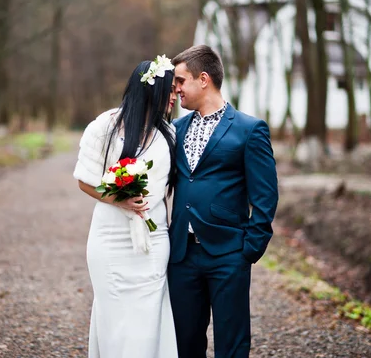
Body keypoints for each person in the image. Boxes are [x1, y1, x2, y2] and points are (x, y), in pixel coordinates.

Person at [168, 45, 278, 358]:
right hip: (181, 255)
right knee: (184, 342)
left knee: (231, 344)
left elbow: (265, 194)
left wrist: (250, 248)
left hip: (228, 254)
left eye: (180, 81)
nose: (175, 89)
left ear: (203, 79)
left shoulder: (249, 129)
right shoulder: (175, 130)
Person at [73, 56, 179, 358]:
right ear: (152, 90)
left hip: (153, 240)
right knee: (115, 319)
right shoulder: (105, 127)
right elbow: (84, 181)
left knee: (149, 320)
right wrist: (119, 197)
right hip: (110, 240)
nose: (174, 97)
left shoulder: (169, 135)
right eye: (169, 90)